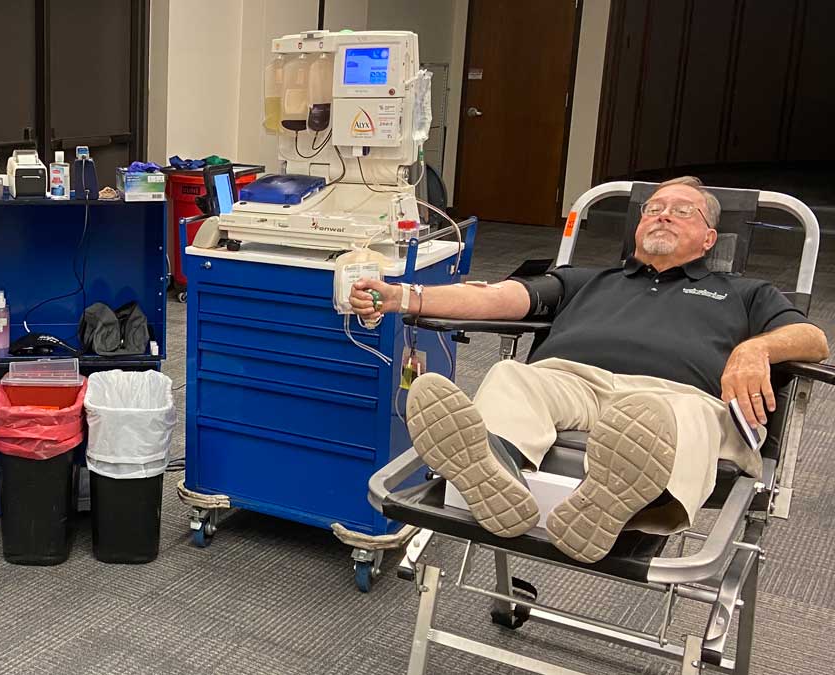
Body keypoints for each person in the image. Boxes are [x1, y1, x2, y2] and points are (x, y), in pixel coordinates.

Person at [350, 177, 829, 563]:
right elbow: (498, 297)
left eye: (683, 210)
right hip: (572, 381)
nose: (663, 214)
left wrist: (756, 349)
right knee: (514, 377)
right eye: (654, 208)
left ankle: (617, 501)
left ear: (709, 239)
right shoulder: (589, 279)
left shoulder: (744, 292)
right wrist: (404, 296)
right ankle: (496, 468)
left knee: (670, 417)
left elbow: (814, 339)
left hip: (677, 397)